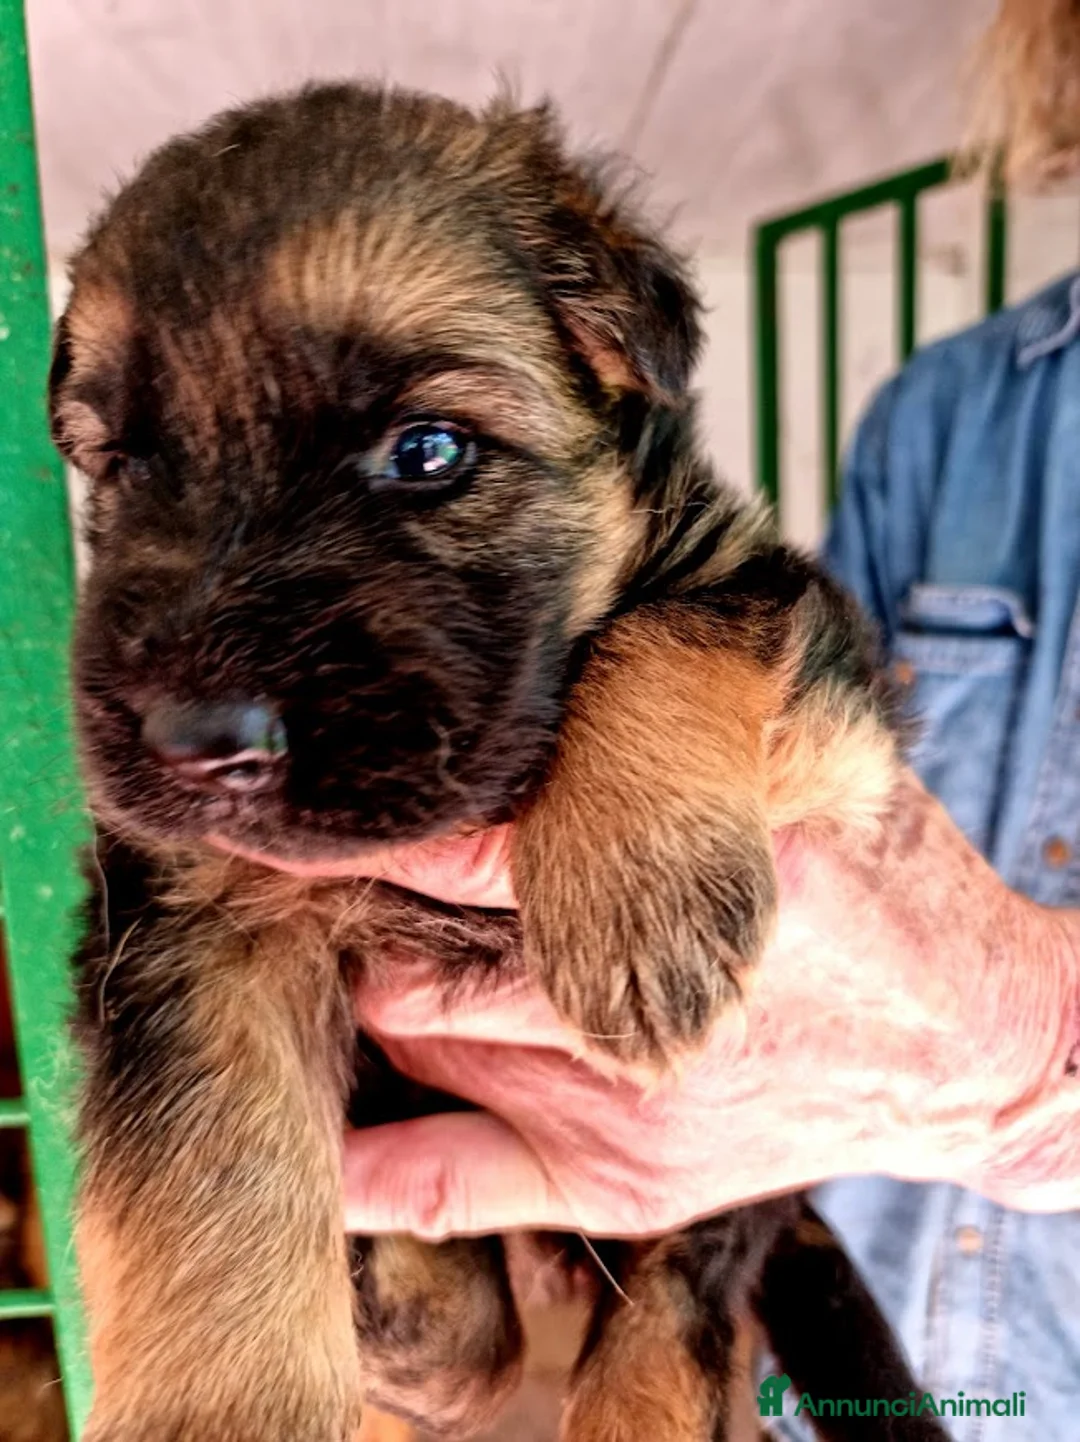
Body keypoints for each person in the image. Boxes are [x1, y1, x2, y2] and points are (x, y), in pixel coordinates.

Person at [329, 270, 1080, 1441]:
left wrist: (1035, 1042)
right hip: (825, 1307)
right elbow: (817, 710)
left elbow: (744, 639)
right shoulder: (949, 406)